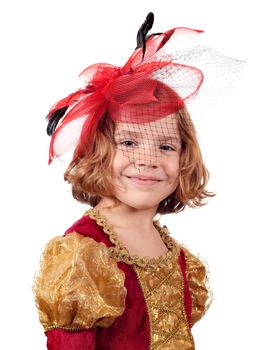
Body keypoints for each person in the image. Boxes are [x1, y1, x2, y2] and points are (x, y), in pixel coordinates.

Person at [33, 12, 242, 350]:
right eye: (128, 142)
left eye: (166, 145)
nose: (148, 159)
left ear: (185, 156)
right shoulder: (84, 255)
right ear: (97, 151)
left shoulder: (181, 258)